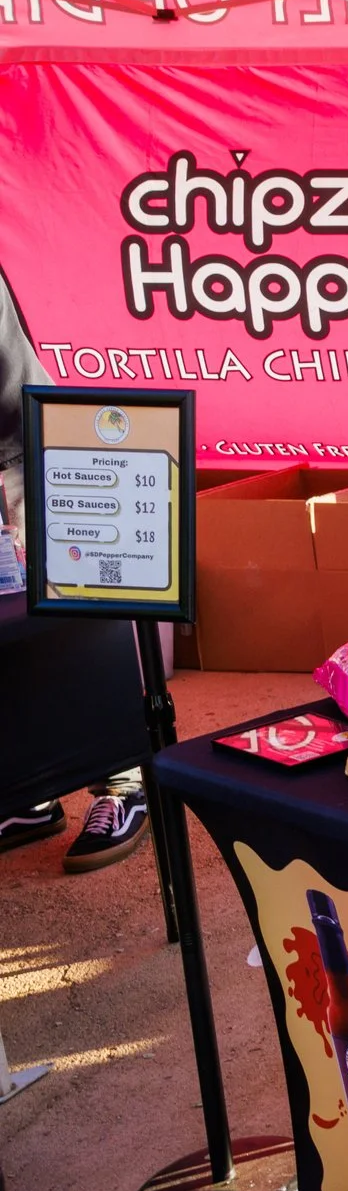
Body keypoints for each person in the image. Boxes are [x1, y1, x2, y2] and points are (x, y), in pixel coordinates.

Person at [0, 264, 149, 874]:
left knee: (69, 609)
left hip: (16, 447)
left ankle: (121, 783)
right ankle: (26, 792)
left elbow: (11, 393)